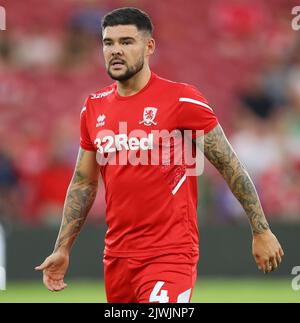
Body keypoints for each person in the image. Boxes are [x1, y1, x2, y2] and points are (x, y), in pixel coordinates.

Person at [35, 7, 284, 303]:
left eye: (127, 42)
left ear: (149, 46)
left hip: (170, 254)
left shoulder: (182, 100)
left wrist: (261, 229)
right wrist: (62, 248)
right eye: (108, 42)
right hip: (118, 258)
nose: (116, 50)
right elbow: (83, 183)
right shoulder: (93, 108)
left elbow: (230, 165)